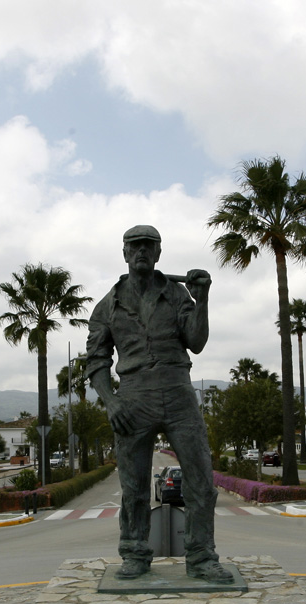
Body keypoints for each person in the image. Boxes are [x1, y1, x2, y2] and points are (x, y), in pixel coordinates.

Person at [86, 225, 232, 582]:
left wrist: (203, 300)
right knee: (134, 486)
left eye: (148, 246)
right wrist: (110, 402)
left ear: (158, 253)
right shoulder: (107, 306)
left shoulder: (178, 294)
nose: (141, 252)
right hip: (133, 399)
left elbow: (195, 342)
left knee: (200, 481)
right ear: (124, 253)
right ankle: (134, 553)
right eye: (134, 246)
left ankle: (201, 557)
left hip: (179, 393)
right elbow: (96, 361)